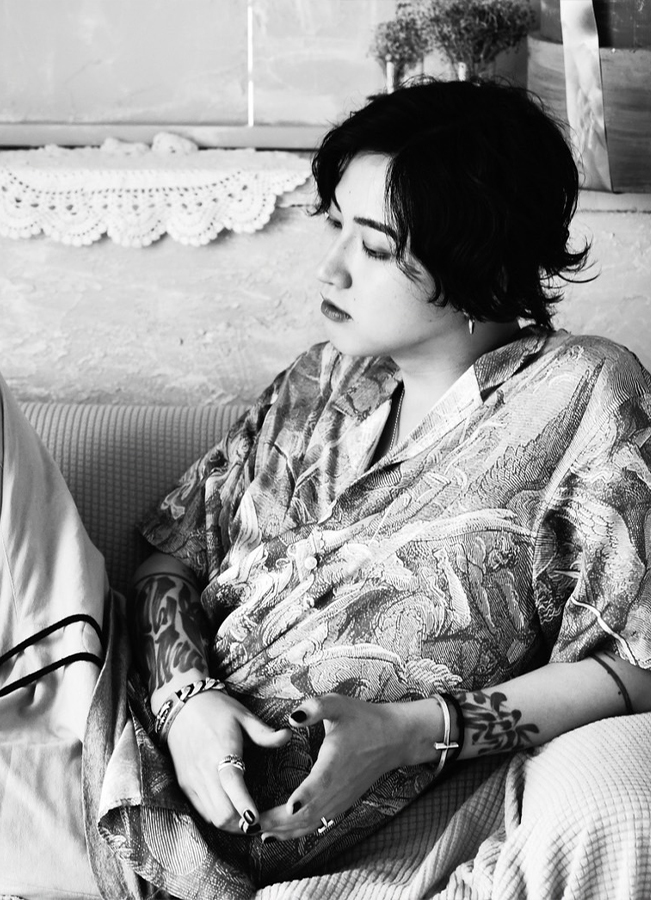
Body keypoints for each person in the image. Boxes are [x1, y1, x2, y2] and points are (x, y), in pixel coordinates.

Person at [1, 77, 650, 900]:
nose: (331, 267)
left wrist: (413, 733)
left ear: (479, 258)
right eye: (336, 225)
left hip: (150, 815)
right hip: (99, 682)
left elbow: (634, 660)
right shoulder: (321, 380)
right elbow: (171, 560)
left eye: (372, 248)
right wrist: (185, 697)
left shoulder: (584, 391)